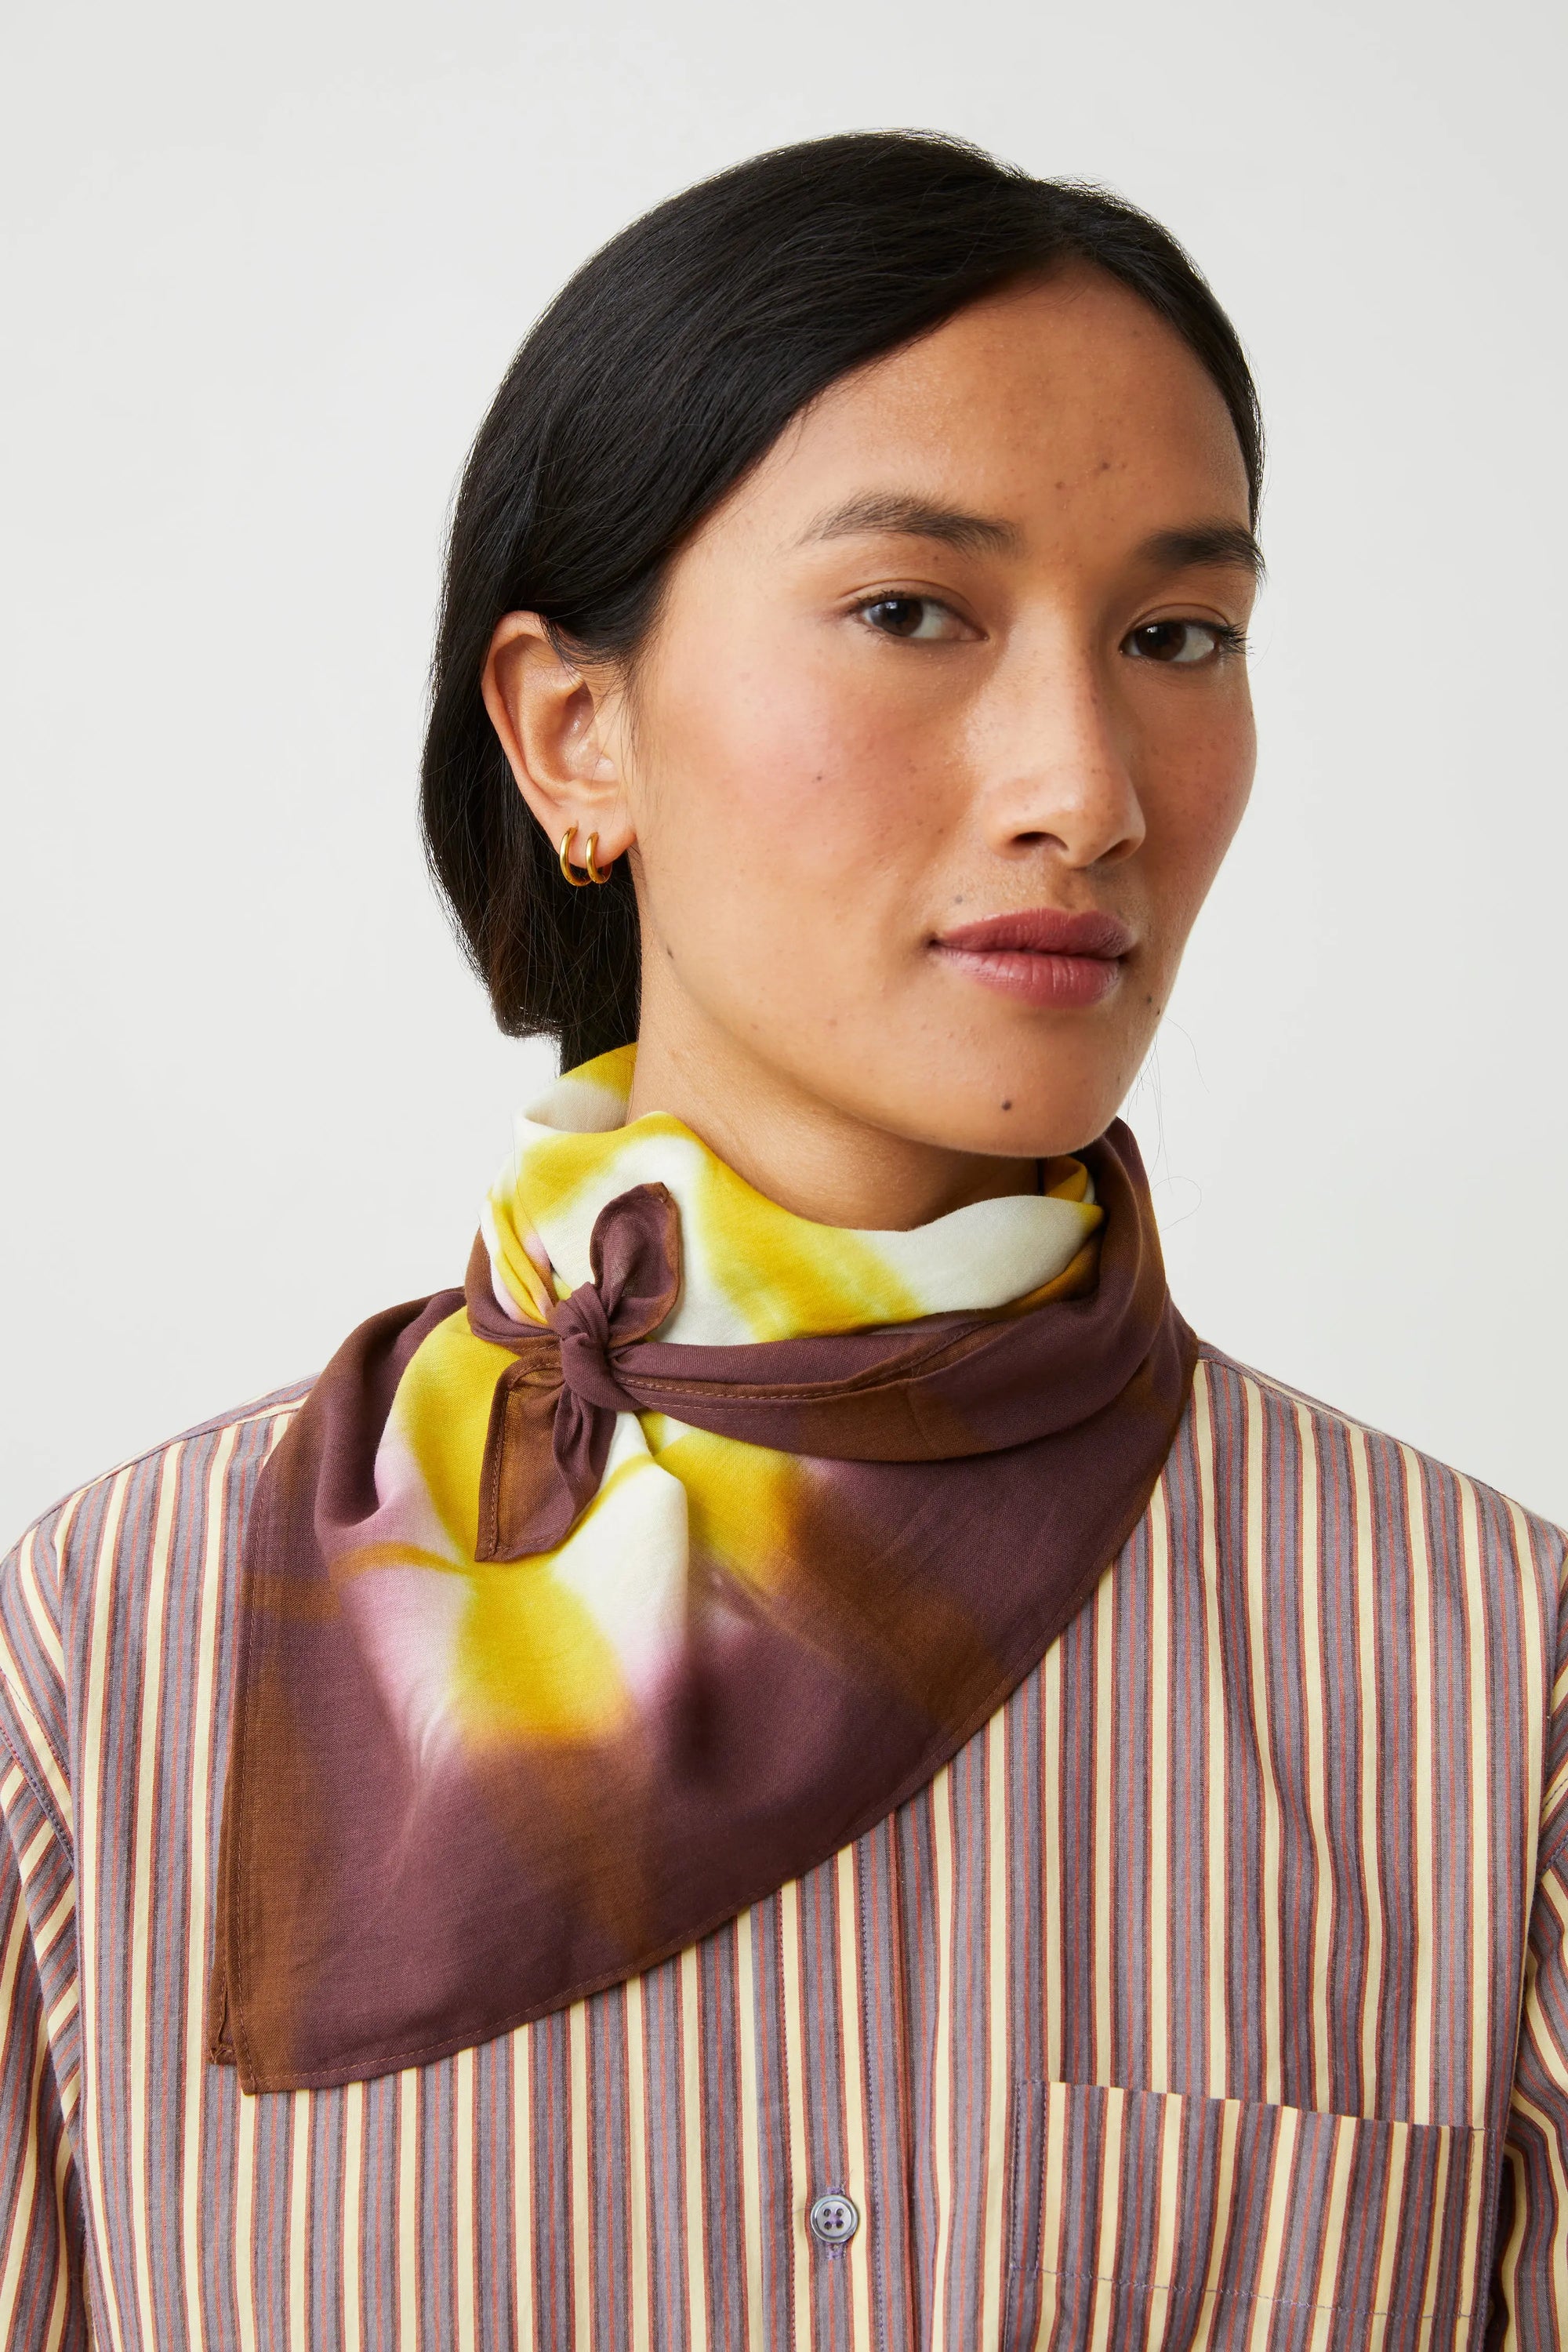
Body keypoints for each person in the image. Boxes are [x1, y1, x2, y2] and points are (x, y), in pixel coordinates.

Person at [0, 128, 1562, 2351]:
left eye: (1177, 635)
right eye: (913, 611)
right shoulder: (110, 1657)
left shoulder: (1490, 1681)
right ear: (576, 735)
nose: (1088, 788)